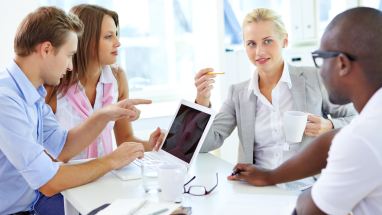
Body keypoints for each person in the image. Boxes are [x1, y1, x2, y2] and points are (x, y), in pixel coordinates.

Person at [0, 7, 159, 215]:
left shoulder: (32, 94)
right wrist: (111, 160)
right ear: (46, 49)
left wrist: (104, 115)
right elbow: (48, 181)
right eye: (69, 56)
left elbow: (63, 146)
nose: (69, 66)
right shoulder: (6, 100)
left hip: (30, 205)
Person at [228, 7, 382, 215]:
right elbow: (334, 139)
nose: (320, 70)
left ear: (342, 64)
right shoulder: (372, 122)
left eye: (320, 58)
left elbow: (308, 210)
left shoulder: (360, 139)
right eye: (251, 43)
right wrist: (270, 176)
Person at [195, 8, 356, 170]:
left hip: (306, 185)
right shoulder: (237, 93)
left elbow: (357, 119)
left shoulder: (315, 78)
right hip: (257, 187)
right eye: (251, 44)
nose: (259, 52)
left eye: (267, 41)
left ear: (284, 41)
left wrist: (330, 125)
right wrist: (202, 99)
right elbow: (206, 143)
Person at [45, 4, 163, 160]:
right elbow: (47, 157)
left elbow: (125, 139)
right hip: (70, 181)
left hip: (106, 178)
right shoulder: (53, 85)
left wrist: (151, 144)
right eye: (108, 36)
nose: (118, 42)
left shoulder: (117, 78)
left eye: (116, 35)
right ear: (85, 40)